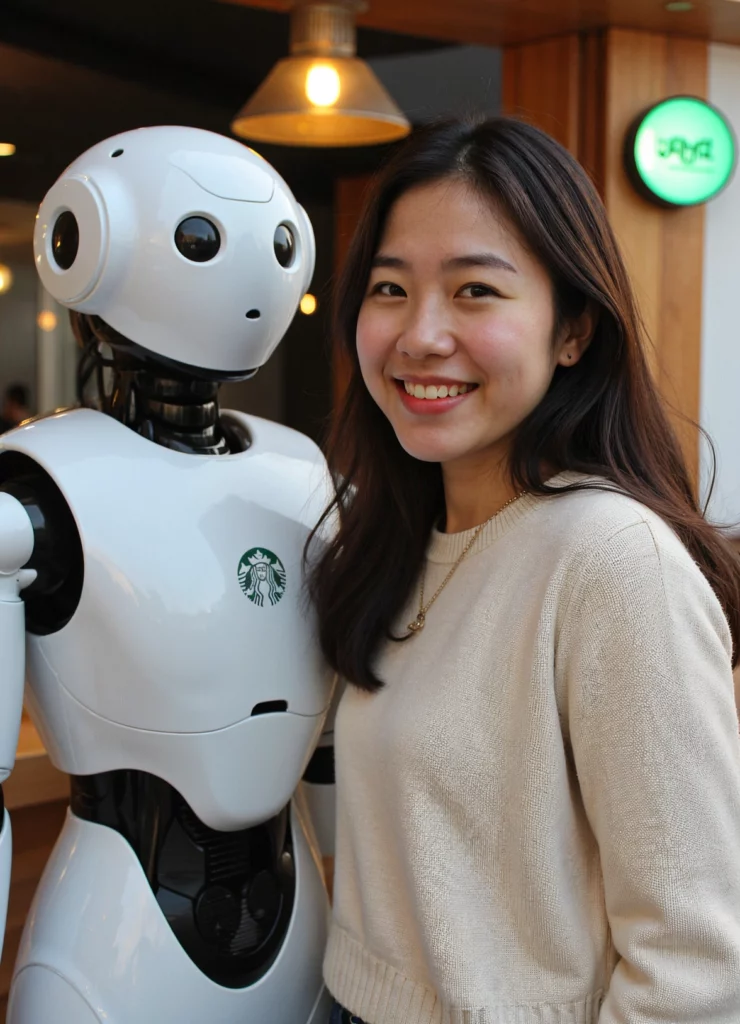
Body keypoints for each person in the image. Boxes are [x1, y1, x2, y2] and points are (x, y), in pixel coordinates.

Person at [307, 116, 740, 1024]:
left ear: (573, 330)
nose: (421, 336)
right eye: (391, 289)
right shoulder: (393, 540)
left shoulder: (612, 561)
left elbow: (697, 970)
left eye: (474, 291)